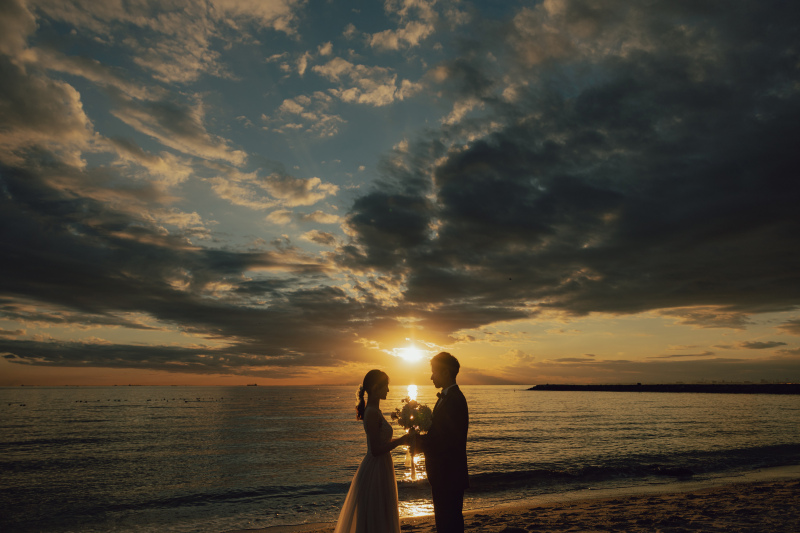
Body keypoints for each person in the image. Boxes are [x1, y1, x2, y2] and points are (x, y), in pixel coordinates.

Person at [334, 369, 411, 533]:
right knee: (376, 515)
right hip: (376, 468)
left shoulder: (375, 411)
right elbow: (376, 450)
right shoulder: (371, 413)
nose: (388, 390)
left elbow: (380, 443)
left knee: (382, 513)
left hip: (382, 466)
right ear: (376, 387)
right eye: (386, 386)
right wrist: (400, 441)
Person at [416, 352, 469, 533]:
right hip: (444, 474)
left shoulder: (454, 400)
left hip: (449, 474)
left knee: (449, 523)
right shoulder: (448, 397)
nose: (431, 376)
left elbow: (447, 440)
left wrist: (418, 444)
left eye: (434, 372)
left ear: (446, 372)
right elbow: (439, 433)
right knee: (445, 522)